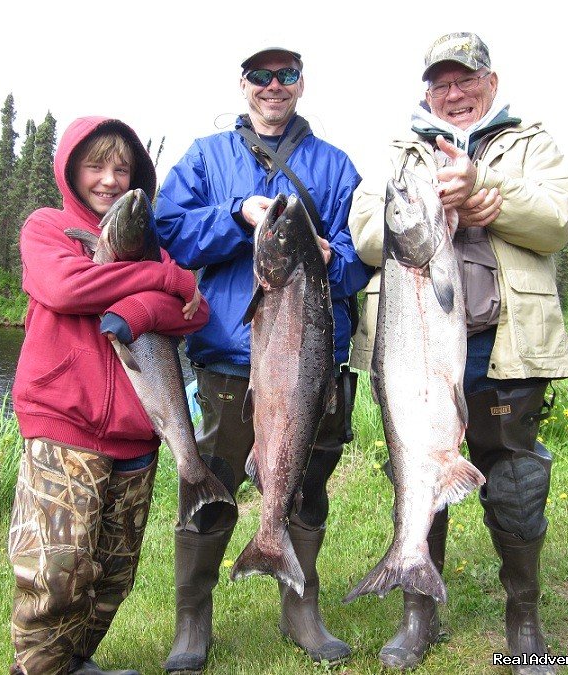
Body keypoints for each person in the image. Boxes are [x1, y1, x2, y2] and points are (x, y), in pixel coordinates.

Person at [348, 33, 568, 674]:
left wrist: (486, 192)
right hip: (414, 354)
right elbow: (366, 229)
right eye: (441, 83)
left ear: (491, 84)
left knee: (516, 482)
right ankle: (418, 613)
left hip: (507, 347)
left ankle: (522, 617)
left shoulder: (530, 144)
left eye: (466, 80)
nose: (454, 94)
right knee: (419, 467)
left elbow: (559, 217)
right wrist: (422, 201)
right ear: (427, 92)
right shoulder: (402, 152)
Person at [154, 45, 372, 672]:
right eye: (262, 76)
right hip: (228, 357)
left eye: (287, 75)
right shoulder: (206, 157)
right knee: (209, 485)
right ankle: (192, 620)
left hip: (312, 363)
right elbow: (171, 228)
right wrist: (233, 216)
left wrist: (337, 260)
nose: (274, 86)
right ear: (244, 84)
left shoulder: (334, 167)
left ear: (302, 84)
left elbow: (364, 255)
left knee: (306, 483)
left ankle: (299, 607)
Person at [8, 116, 209, 675]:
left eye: (122, 168)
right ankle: (40, 669)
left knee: (112, 570)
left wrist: (152, 294)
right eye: (96, 165)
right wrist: (163, 282)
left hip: (139, 432)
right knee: (55, 568)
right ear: (72, 170)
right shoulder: (48, 228)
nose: (109, 180)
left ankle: (76, 661)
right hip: (64, 424)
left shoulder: (151, 246)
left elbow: (197, 312)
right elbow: (66, 287)